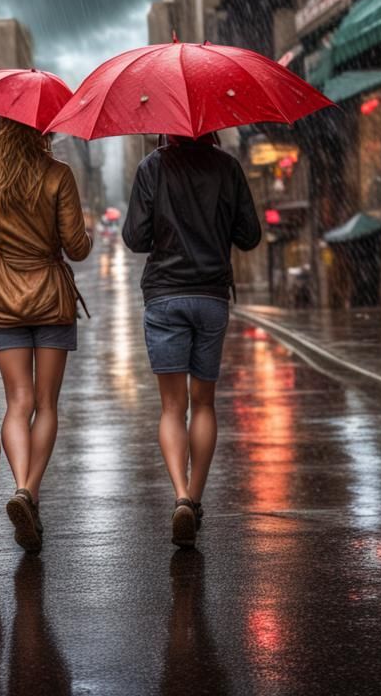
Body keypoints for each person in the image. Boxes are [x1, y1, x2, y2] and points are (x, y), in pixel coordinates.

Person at [0, 117, 92, 553]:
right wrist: (81, 231)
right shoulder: (58, 174)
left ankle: (19, 486)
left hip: (2, 300)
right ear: (44, 130)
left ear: (0, 127)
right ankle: (28, 492)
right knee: (47, 404)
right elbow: (76, 247)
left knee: (19, 402)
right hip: (51, 300)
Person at [123, 133, 261, 549]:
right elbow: (249, 235)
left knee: (172, 407)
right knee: (203, 402)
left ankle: (180, 494)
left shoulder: (152, 167)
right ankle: (196, 499)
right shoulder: (228, 167)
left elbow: (134, 238)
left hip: (165, 295)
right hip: (211, 296)